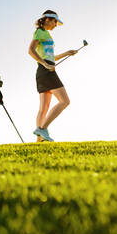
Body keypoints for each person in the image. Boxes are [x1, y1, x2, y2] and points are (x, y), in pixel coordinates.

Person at [28, 10, 77, 142]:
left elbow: (51, 57)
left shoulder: (47, 35)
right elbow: (30, 51)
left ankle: (39, 141)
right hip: (46, 71)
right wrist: (45, 64)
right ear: (48, 20)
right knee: (65, 101)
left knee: (43, 109)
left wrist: (67, 53)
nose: (56, 25)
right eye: (55, 22)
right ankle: (42, 129)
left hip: (44, 71)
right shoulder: (40, 32)